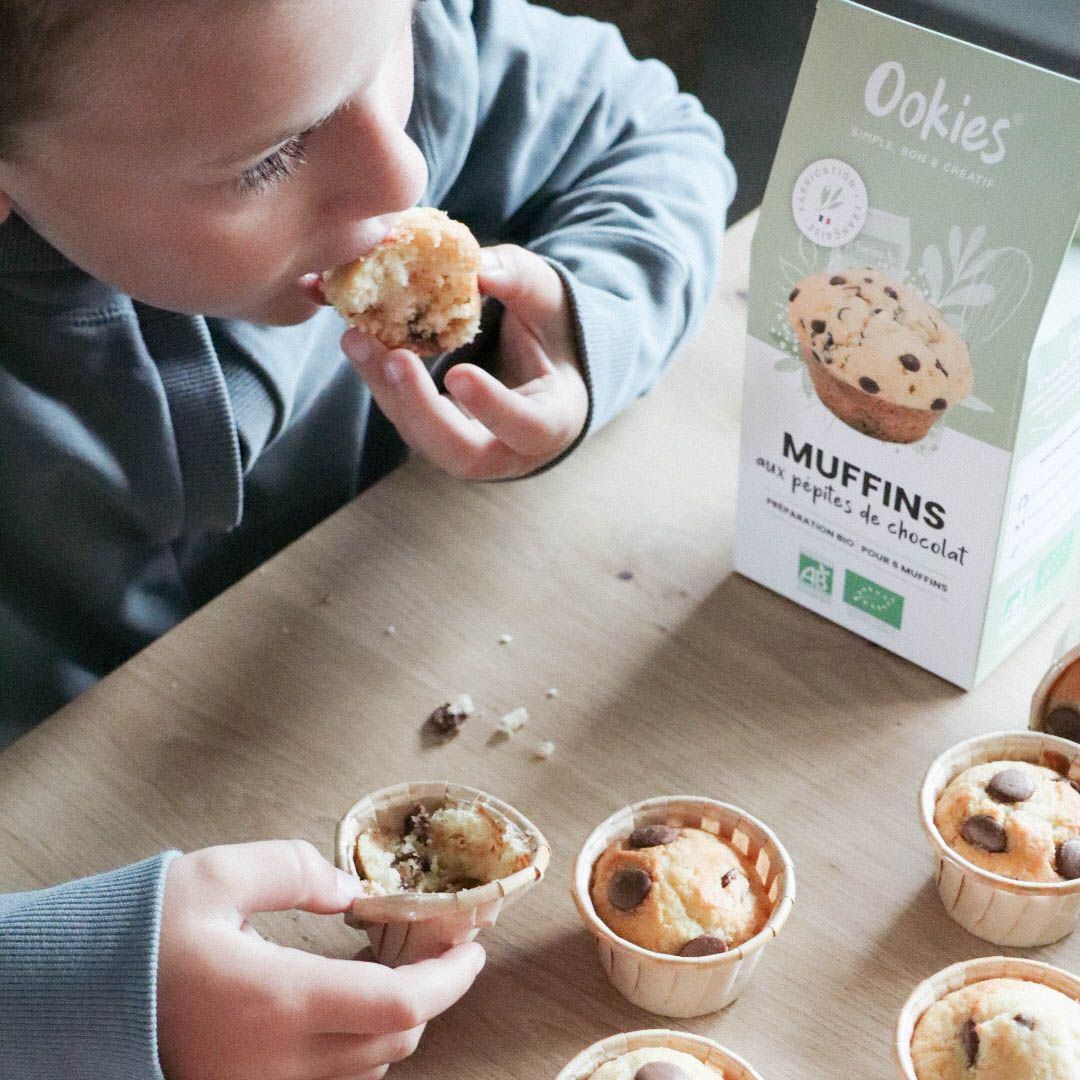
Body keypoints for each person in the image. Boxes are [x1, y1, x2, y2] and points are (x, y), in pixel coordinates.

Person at [0, 0, 736, 1075]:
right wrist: (69, 990)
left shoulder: (411, 52)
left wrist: (581, 331)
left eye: (382, 40)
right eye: (271, 157)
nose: (400, 176)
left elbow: (652, 137)